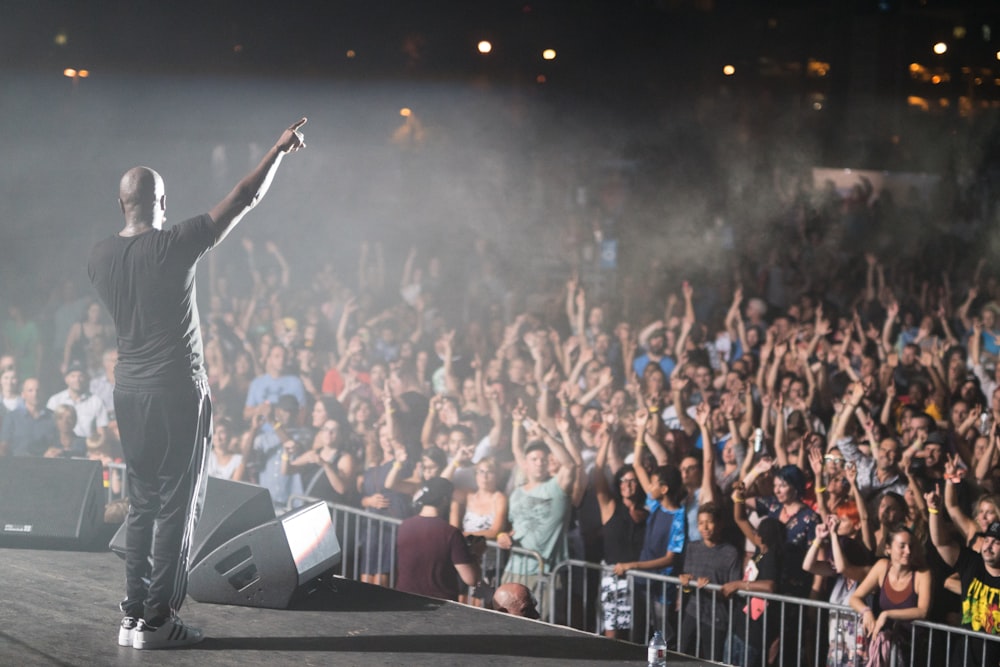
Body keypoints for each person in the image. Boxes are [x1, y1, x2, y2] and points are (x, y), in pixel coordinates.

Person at [88, 117, 306, 649]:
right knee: (177, 507)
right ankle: (159, 620)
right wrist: (278, 150)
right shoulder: (173, 244)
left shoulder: (98, 257)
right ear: (161, 202)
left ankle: (133, 615)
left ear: (122, 205)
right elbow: (242, 199)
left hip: (129, 391)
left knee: (141, 505)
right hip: (176, 390)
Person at [927, 489, 1000, 665]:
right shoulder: (972, 562)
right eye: (987, 540)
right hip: (963, 657)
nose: (988, 546)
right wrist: (934, 511)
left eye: (997, 543)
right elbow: (941, 543)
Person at [848, 524, 932, 666]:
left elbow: (923, 610)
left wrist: (887, 614)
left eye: (911, 546)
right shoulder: (882, 566)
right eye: (902, 546)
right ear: (888, 549)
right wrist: (866, 611)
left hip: (913, 652)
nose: (908, 551)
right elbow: (854, 598)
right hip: (886, 650)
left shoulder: (922, 574)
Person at [396, 477, 484, 601]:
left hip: (405, 599)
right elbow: (471, 579)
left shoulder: (404, 526)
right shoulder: (451, 533)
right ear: (445, 500)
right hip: (440, 605)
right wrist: (475, 554)